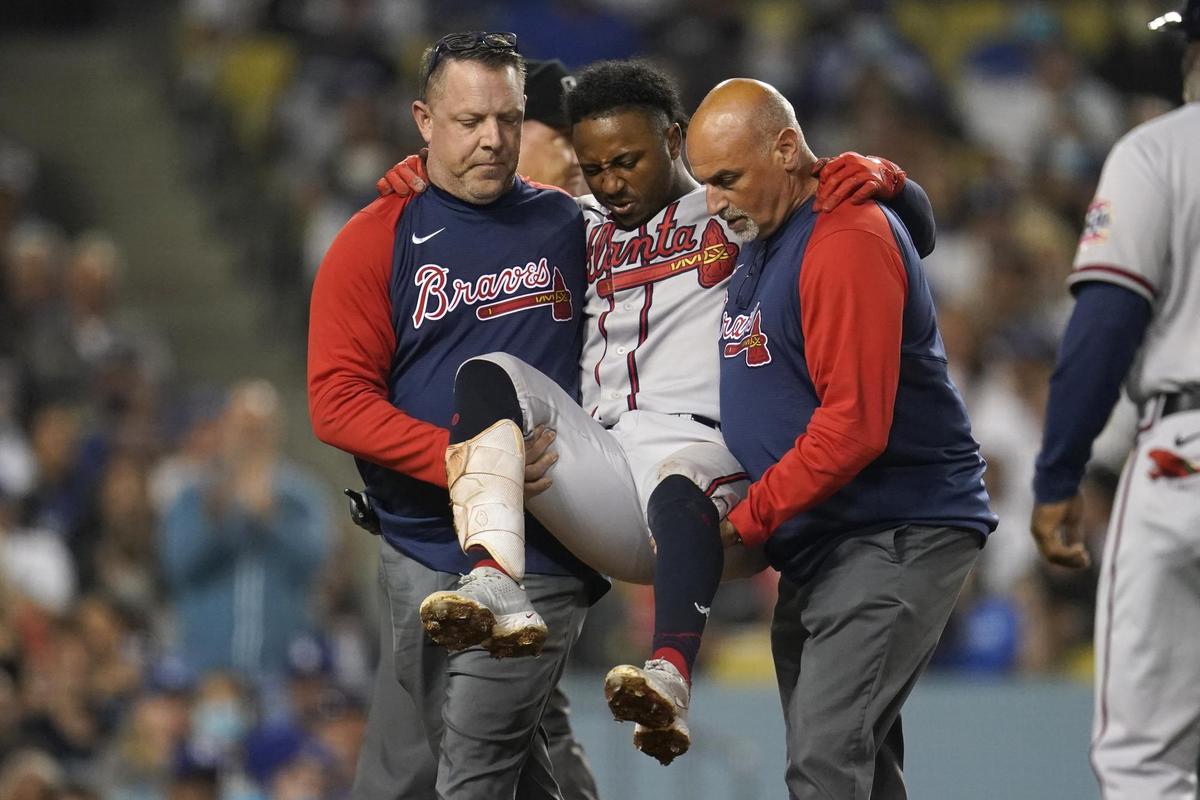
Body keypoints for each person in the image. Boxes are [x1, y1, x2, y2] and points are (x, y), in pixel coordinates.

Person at [380, 59, 938, 765]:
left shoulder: (734, 203)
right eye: (595, 167)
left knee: (681, 482)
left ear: (674, 140)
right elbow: (485, 207)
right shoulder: (576, 224)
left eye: (627, 161)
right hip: (605, 459)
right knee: (489, 376)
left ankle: (669, 674)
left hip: (709, 459)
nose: (611, 182)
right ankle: (493, 575)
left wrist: (890, 178)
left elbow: (904, 229)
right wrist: (420, 182)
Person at [307, 32, 604, 800]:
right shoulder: (374, 240)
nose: (493, 140)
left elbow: (690, 226)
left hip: (542, 551)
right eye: (470, 120)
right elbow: (336, 403)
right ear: (424, 120)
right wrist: (468, 460)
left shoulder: (571, 226)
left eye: (508, 119)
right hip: (422, 549)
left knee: (471, 770)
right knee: (483, 761)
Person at [684, 78, 996, 798]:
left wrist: (750, 519)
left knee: (826, 761)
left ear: (787, 147)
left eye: (728, 178)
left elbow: (854, 426)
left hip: (892, 529)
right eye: (707, 183)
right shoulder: (769, 229)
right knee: (857, 764)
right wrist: (897, 185)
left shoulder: (843, 233)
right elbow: (913, 226)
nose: (716, 200)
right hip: (827, 539)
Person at [1029, 4, 1200, 796]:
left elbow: (1104, 326)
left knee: (1144, 760)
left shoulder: (1161, 149)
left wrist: (1059, 476)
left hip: (1184, 453)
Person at [161, 379, 330, 680]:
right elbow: (180, 566)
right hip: (206, 670)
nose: (251, 439)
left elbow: (314, 564)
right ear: (226, 428)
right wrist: (227, 515)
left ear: (276, 432)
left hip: (283, 671)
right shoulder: (195, 495)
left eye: (260, 430)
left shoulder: (301, 495)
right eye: (243, 429)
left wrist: (271, 518)